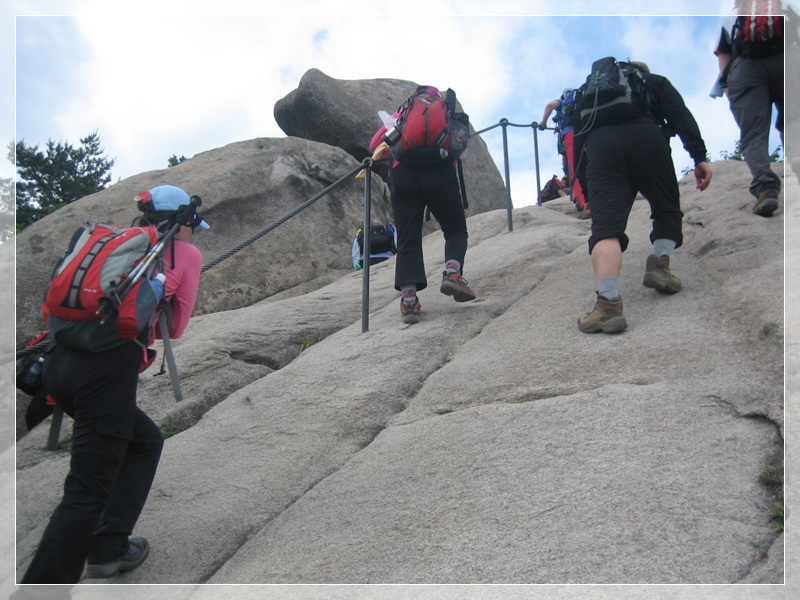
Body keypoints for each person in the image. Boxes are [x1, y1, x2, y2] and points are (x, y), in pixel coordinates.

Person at [21, 185, 208, 583]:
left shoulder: (112, 244)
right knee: (86, 492)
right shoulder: (182, 253)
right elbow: (175, 326)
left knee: (144, 442)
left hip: (59, 365)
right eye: (195, 226)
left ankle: (109, 548)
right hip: (104, 375)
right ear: (184, 221)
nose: (196, 233)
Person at [574, 62, 713, 333]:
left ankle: (608, 304)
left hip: (602, 149)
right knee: (667, 208)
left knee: (606, 231)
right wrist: (699, 156)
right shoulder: (654, 81)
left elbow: (579, 143)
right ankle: (660, 263)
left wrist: (588, 191)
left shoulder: (589, 94)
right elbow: (681, 116)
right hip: (649, 140)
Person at [370, 85, 476, 324]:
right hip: (440, 174)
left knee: (408, 238)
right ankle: (452, 273)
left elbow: (375, 143)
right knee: (456, 229)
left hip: (404, 176)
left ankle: (409, 302)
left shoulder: (403, 115)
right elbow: (459, 143)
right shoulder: (445, 113)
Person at [712, 0, 785, 216]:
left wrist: (728, 87)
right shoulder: (784, 6)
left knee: (753, 133)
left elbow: (723, 54)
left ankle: (766, 189)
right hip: (786, 60)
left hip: (746, 70)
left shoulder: (731, 16)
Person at [540, 89, 589, 218]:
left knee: (576, 170)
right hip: (587, 134)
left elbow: (550, 105)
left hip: (571, 135)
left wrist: (543, 122)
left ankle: (585, 205)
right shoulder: (581, 101)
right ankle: (581, 200)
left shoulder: (563, 103)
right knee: (587, 167)